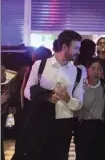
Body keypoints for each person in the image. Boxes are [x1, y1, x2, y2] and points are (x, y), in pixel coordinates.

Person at [13, 30, 84, 160]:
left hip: (64, 123)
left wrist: (67, 98)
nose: (78, 52)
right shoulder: (40, 65)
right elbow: (27, 91)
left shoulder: (78, 72)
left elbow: (78, 104)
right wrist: (47, 96)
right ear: (64, 47)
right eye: (76, 48)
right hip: (40, 120)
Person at [75, 58, 105, 160]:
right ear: (87, 70)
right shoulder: (79, 87)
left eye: (99, 69)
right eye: (93, 68)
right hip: (83, 128)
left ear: (102, 72)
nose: (96, 72)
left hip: (101, 129)